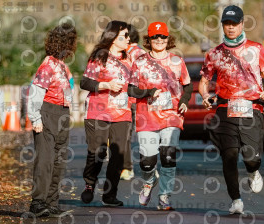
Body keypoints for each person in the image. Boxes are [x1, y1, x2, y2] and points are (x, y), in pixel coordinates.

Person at [198, 5, 264, 215]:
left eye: (234, 23)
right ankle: (236, 200)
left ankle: (253, 171)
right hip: (225, 108)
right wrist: (205, 96)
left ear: (242, 24)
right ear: (223, 25)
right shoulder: (214, 54)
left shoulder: (256, 49)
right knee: (229, 155)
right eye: (227, 24)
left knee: (251, 157)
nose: (230, 27)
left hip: (251, 107)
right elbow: (204, 82)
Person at [129, 22, 192, 210]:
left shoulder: (177, 61)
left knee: (168, 156)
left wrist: (184, 101)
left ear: (168, 39)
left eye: (162, 36)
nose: (159, 40)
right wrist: (148, 92)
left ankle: (165, 196)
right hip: (146, 117)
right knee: (147, 162)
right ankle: (149, 181)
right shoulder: (140, 62)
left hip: (172, 115)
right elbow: (131, 89)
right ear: (149, 40)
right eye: (155, 37)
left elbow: (187, 85)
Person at [26, 23, 78, 217]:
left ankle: (52, 202)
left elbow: (68, 91)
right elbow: (36, 92)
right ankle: (38, 202)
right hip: (47, 112)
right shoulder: (48, 65)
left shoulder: (63, 67)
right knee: (45, 160)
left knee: (58, 160)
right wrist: (35, 118)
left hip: (62, 114)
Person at [79, 21, 133, 206]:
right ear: (113, 37)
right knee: (98, 152)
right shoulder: (100, 57)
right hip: (98, 112)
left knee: (119, 154)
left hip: (122, 113)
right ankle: (89, 184)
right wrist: (106, 85)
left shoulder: (129, 59)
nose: (128, 39)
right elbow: (85, 82)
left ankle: (110, 195)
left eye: (128, 35)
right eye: (125, 36)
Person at [120, 25, 146, 181]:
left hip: (130, 99)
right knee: (145, 134)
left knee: (125, 135)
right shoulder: (142, 53)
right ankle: (149, 167)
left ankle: (127, 168)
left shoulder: (128, 54)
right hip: (141, 98)